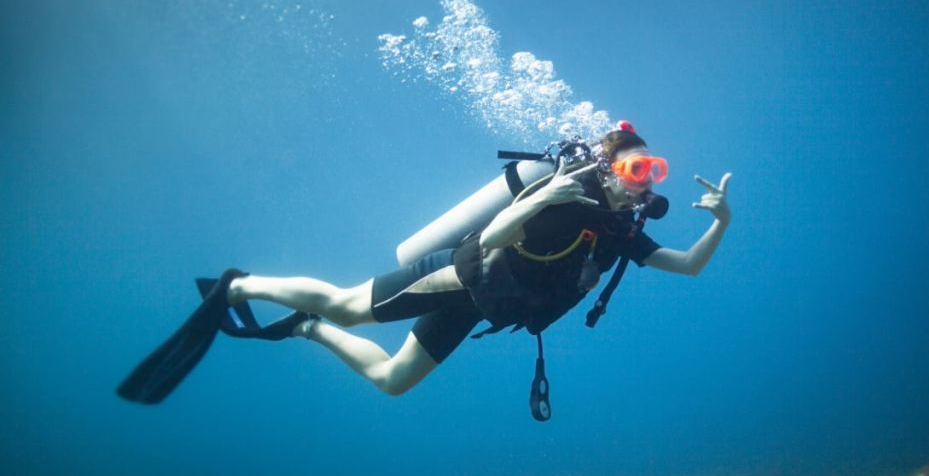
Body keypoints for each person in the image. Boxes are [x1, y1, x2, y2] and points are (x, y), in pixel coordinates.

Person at [118, 122, 731, 418]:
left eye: (655, 171)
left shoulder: (621, 231)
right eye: (635, 170)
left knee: (391, 381)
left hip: (482, 306)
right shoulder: (562, 195)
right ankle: (241, 283)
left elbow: (688, 267)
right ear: (608, 165)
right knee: (350, 304)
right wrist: (540, 198)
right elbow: (490, 237)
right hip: (462, 275)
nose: (644, 184)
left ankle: (306, 329)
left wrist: (720, 223)